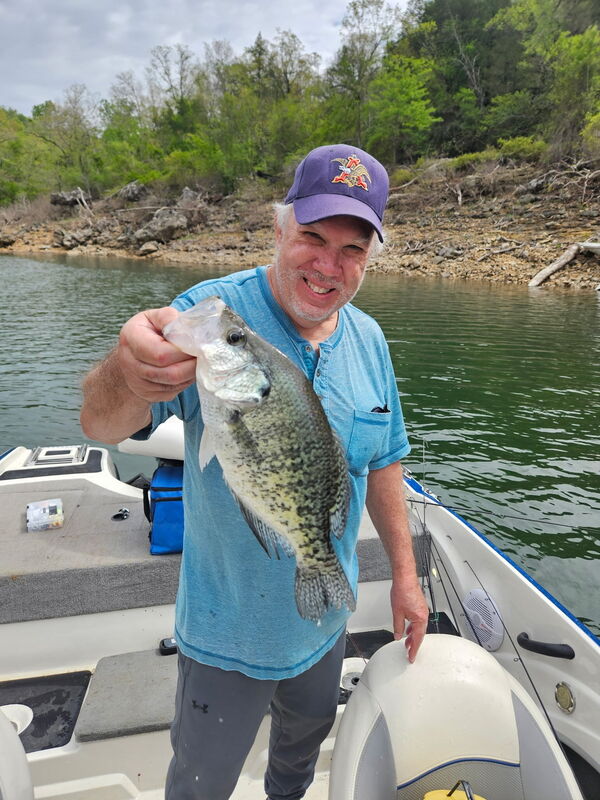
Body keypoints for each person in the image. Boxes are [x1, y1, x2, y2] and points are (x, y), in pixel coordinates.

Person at [80, 143, 429, 800]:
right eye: (313, 237)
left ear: (370, 259)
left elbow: (384, 461)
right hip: (226, 635)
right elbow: (100, 426)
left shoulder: (371, 339)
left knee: (296, 768)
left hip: (327, 616)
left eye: (353, 250)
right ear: (279, 229)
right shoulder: (212, 316)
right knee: (201, 785)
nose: (329, 265)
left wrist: (405, 582)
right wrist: (126, 373)